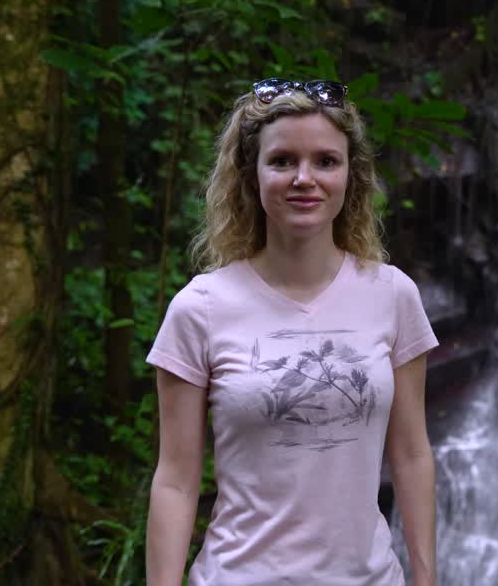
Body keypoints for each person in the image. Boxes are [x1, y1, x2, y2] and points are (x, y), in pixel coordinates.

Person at [145, 78, 438, 586]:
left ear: (350, 175)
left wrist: (426, 579)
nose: (305, 178)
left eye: (326, 161)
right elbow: (175, 480)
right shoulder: (200, 308)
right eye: (282, 161)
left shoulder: (393, 296)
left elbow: (412, 456)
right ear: (251, 175)